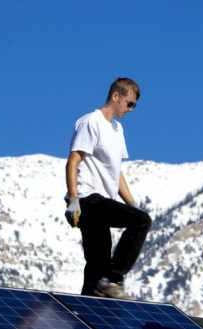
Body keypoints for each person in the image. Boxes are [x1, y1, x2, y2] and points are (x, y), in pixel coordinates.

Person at [64, 77, 151, 299]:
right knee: (141, 221)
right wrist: (74, 200)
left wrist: (131, 204)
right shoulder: (91, 122)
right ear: (116, 96)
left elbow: (116, 171)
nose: (131, 109)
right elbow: (73, 161)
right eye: (129, 103)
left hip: (102, 201)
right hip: (89, 200)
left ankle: (83, 318)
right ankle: (114, 277)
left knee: (96, 267)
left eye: (134, 105)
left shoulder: (117, 129)